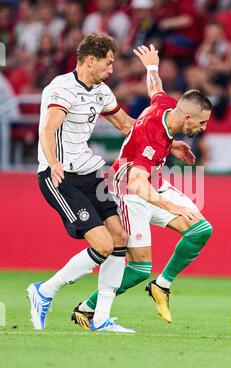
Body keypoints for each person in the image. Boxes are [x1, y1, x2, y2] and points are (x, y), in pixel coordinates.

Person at [72, 44, 213, 328]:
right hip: (128, 192)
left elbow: (155, 88)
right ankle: (86, 309)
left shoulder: (166, 107)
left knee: (201, 230)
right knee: (138, 269)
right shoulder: (153, 135)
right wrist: (171, 205)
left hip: (153, 185)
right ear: (187, 117)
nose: (204, 128)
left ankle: (161, 285)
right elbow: (137, 184)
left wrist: (151, 67)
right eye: (201, 122)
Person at [27, 33, 138, 333]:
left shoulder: (101, 91)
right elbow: (48, 129)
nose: (112, 70)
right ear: (90, 60)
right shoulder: (62, 89)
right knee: (101, 244)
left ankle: (100, 318)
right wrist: (53, 163)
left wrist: (168, 140)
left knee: (120, 239)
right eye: (108, 63)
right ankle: (45, 291)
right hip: (59, 177)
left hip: (90, 173)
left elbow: (128, 125)